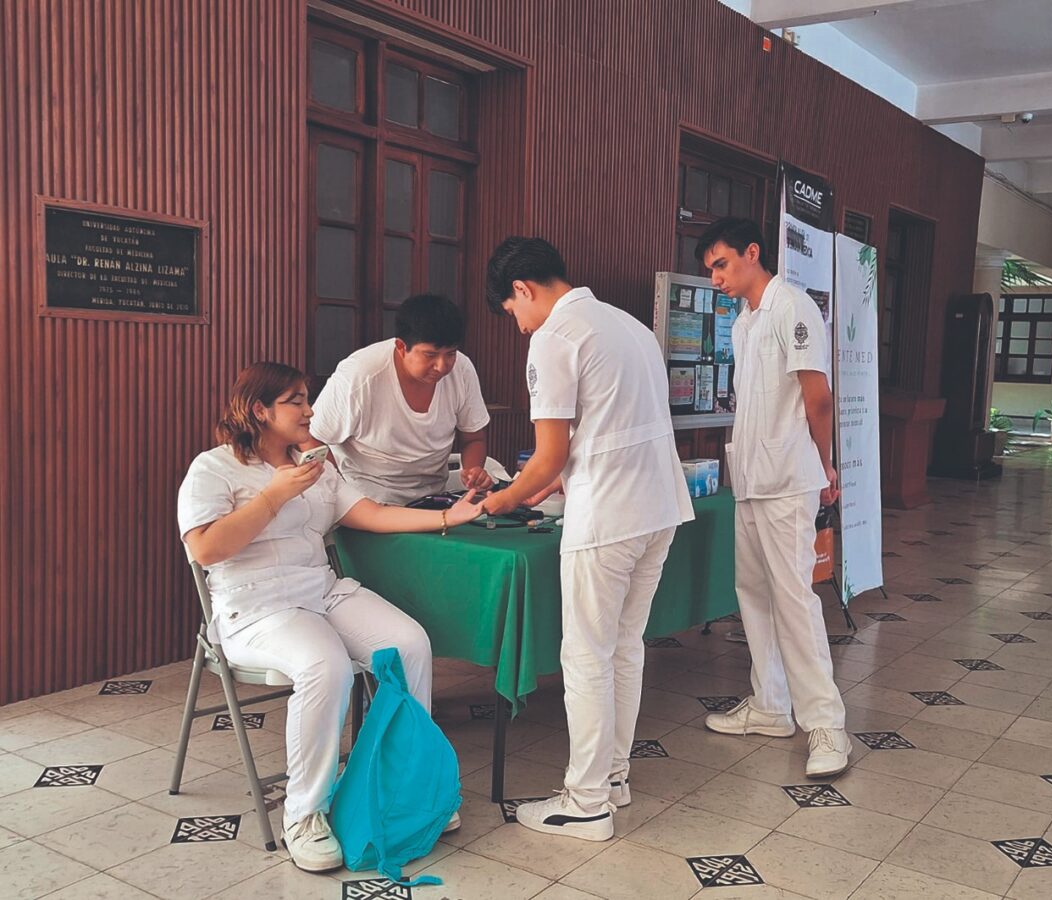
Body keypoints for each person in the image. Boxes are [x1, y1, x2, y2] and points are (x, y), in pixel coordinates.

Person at [178, 362, 483, 873]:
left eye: (307, 398)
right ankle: (305, 814)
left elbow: (371, 514)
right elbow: (207, 549)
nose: (310, 410)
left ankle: (407, 788)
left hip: (320, 591)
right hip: (253, 608)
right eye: (296, 400)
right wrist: (276, 493)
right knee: (329, 668)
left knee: (408, 644)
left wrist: (450, 516)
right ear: (260, 410)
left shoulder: (316, 463)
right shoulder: (213, 468)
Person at [481, 237, 694, 842]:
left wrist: (497, 499)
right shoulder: (628, 324)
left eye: (511, 313)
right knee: (625, 647)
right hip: (659, 508)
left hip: (609, 518)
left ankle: (586, 802)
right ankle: (614, 779)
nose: (519, 326)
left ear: (522, 290)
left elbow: (549, 457)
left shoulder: (555, 336)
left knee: (586, 656)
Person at [695, 217, 850, 778]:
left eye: (721, 264)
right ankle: (770, 705)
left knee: (794, 599)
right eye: (710, 269)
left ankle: (826, 724)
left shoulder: (792, 307)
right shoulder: (744, 320)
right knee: (753, 593)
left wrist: (825, 463)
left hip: (790, 480)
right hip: (752, 479)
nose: (715, 278)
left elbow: (819, 398)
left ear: (752, 252)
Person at [305, 293, 493, 505]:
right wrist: (341, 494)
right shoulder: (360, 374)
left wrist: (473, 470)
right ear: (401, 347)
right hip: (368, 497)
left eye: (451, 353)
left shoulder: (462, 369)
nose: (442, 366)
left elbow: (474, 438)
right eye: (430, 355)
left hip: (434, 498)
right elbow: (311, 437)